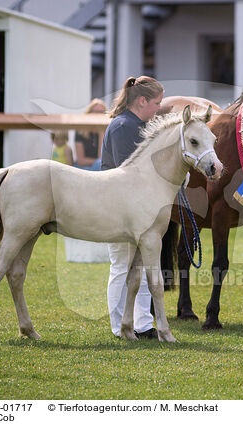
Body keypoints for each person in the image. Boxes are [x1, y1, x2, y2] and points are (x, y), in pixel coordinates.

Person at [101, 76, 164, 339]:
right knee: (121, 266)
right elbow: (127, 172)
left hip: (134, 208)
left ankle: (143, 324)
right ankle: (118, 326)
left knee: (141, 265)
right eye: (156, 103)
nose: (159, 108)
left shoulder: (133, 124)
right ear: (142, 101)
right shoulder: (124, 127)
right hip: (119, 208)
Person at [74, 98, 107, 170]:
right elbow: (80, 161)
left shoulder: (107, 131)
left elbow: (102, 158)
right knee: (99, 164)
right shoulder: (80, 130)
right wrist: (97, 162)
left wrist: (101, 133)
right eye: (95, 111)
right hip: (82, 168)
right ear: (89, 113)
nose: (99, 115)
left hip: (98, 168)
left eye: (101, 112)